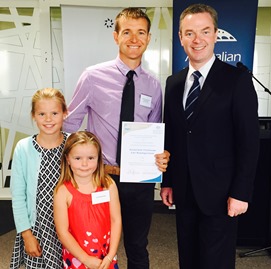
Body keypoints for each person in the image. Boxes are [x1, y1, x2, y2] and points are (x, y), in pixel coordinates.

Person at [63, 7, 170, 269]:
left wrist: (162, 154)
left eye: (141, 32)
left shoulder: (154, 85)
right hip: (100, 178)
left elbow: (154, 132)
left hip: (140, 180)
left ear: (148, 37)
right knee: (96, 245)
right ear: (115, 36)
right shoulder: (92, 77)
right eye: (127, 32)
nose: (134, 39)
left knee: (137, 246)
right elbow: (70, 125)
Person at [160, 3, 260, 269]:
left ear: (216, 34)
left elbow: (248, 142)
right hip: (184, 189)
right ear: (180, 37)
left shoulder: (237, 80)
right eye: (189, 33)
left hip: (222, 194)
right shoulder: (174, 82)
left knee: (216, 262)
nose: (197, 40)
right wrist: (168, 181)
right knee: (188, 259)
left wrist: (241, 192)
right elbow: (171, 136)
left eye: (204, 31)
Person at [10, 88, 69, 269]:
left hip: (70, 228)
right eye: (42, 114)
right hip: (38, 228)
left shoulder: (73, 144)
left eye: (54, 113)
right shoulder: (23, 148)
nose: (48, 119)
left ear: (65, 114)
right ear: (34, 116)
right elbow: (18, 196)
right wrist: (27, 235)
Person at [53, 131, 121, 269]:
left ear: (98, 158)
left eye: (91, 158)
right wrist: (85, 259)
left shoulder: (109, 185)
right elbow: (62, 232)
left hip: (106, 258)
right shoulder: (62, 192)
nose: (84, 164)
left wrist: (111, 254)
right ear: (68, 159)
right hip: (77, 258)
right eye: (77, 158)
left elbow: (116, 220)